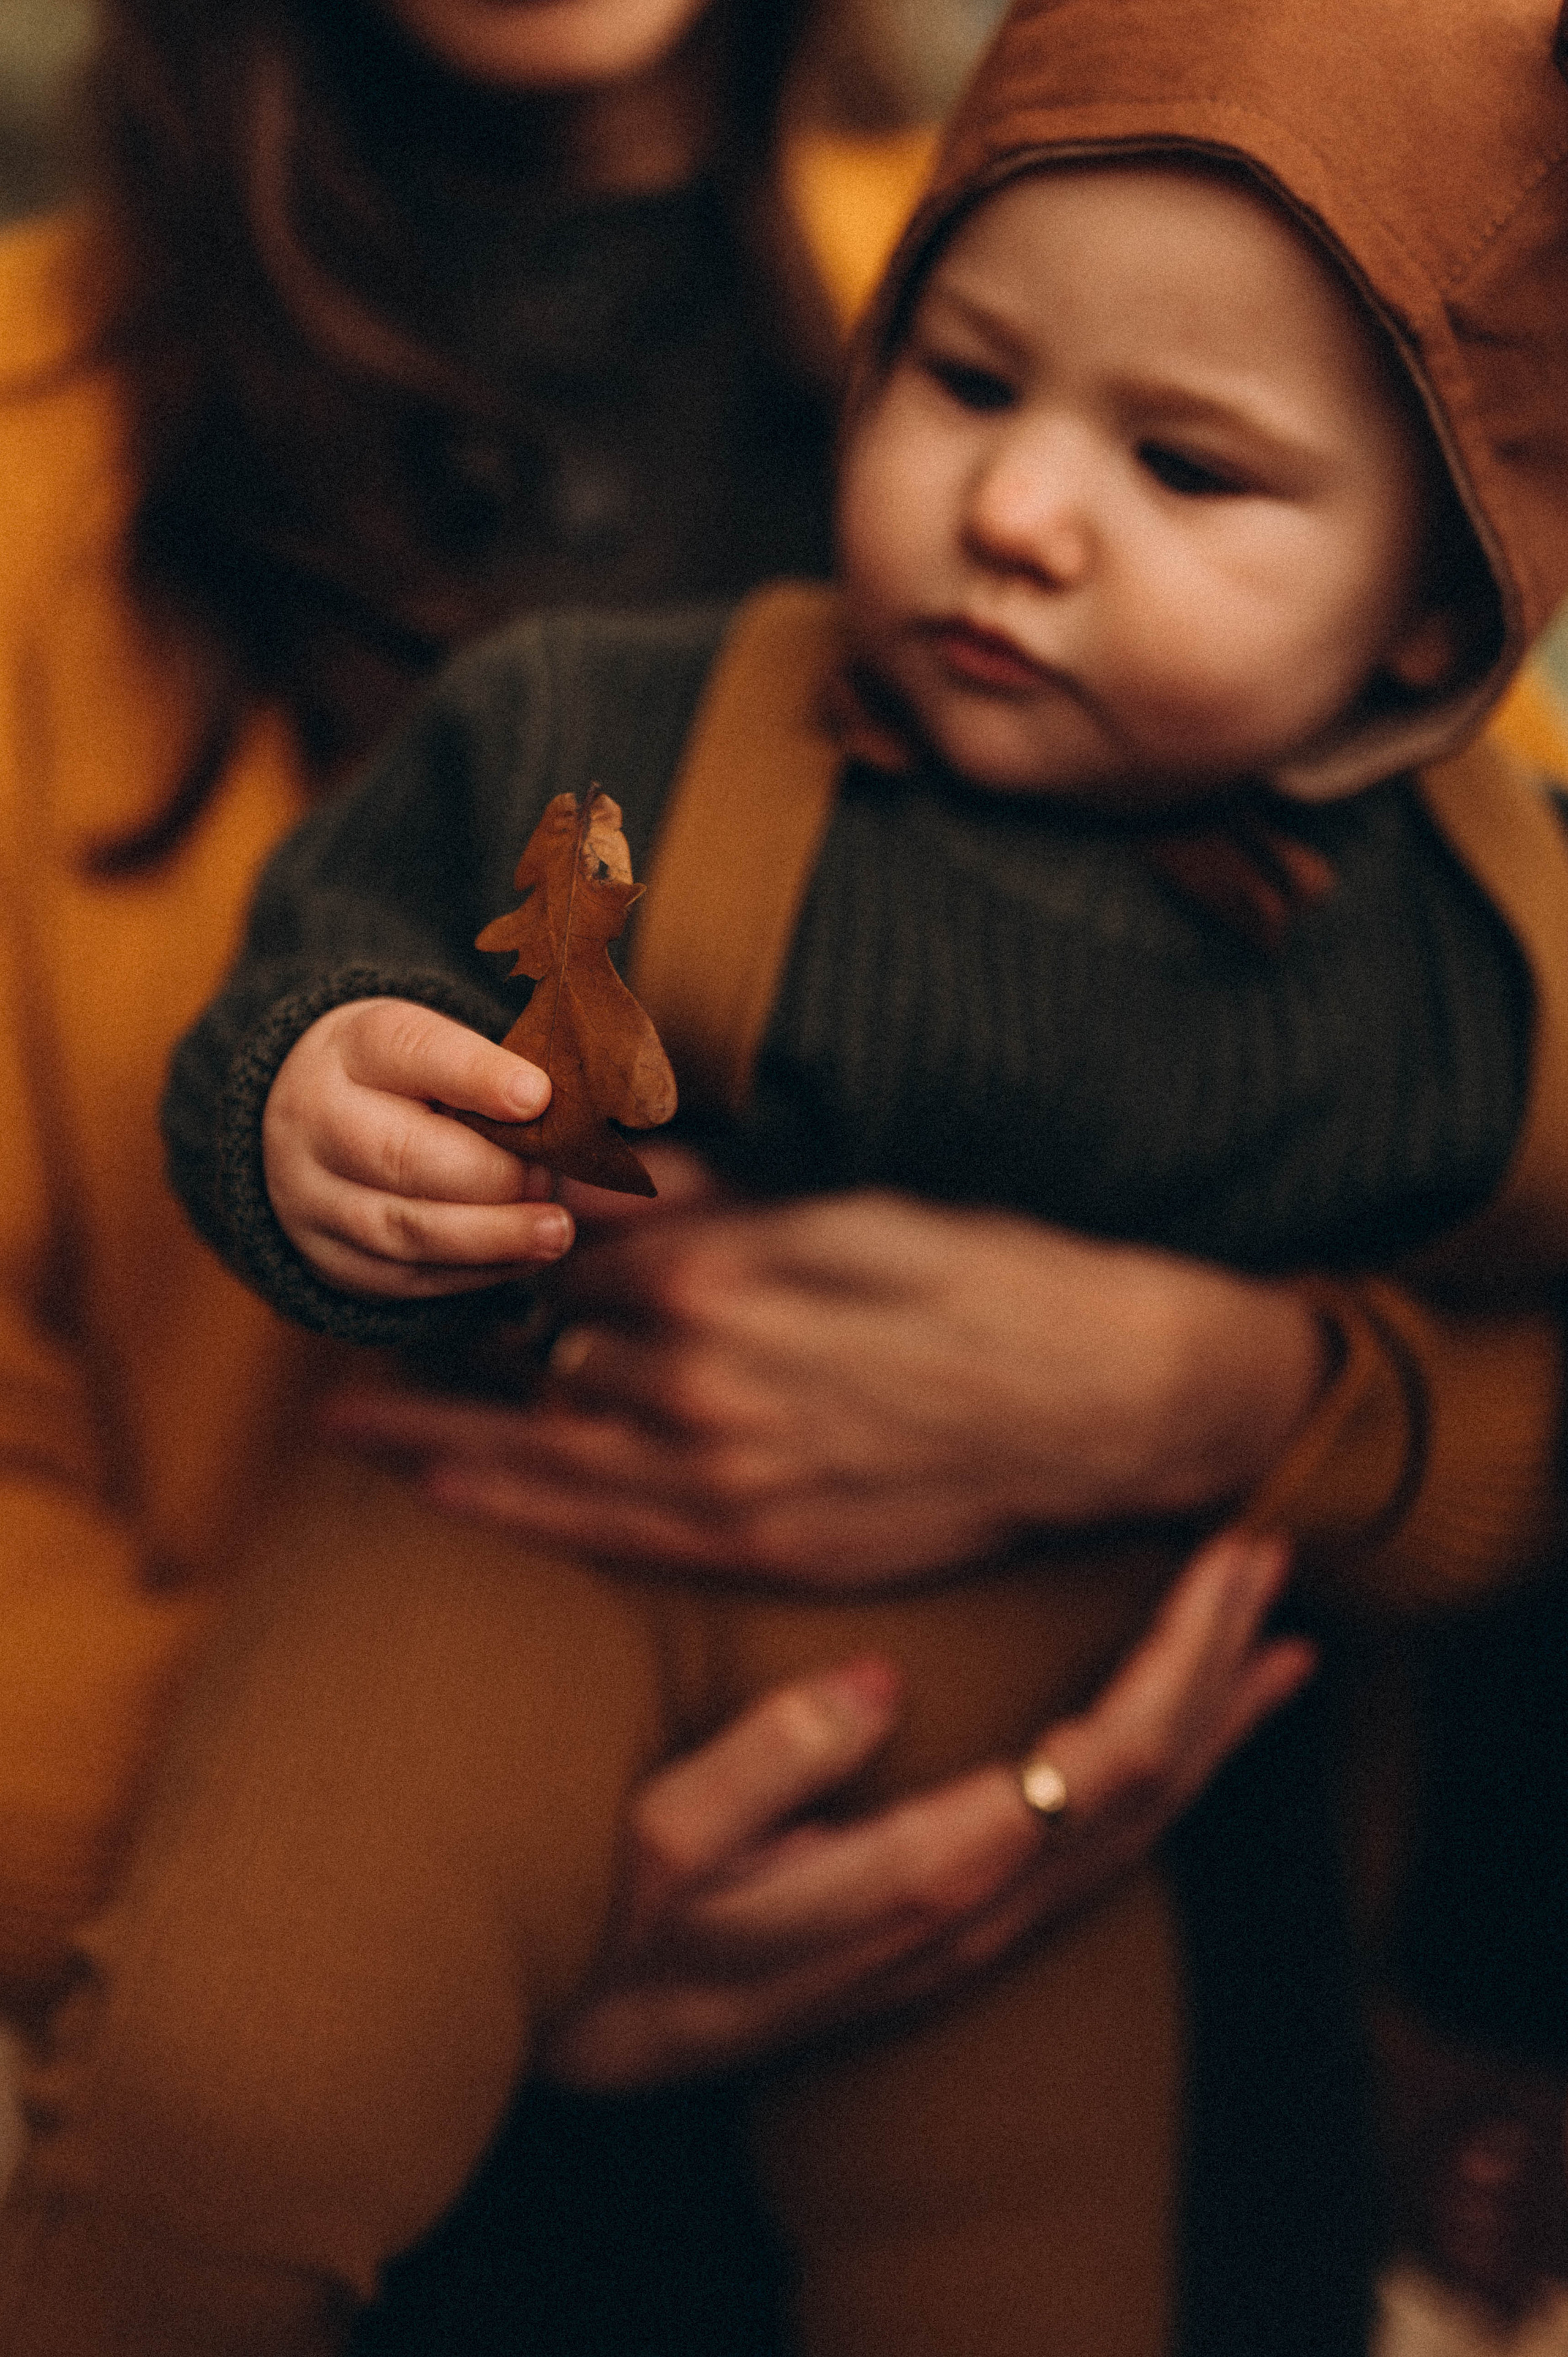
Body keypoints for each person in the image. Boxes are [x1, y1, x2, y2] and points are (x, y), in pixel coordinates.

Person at [12, 0, 1568, 2350]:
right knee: (225, 2131)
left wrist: (1253, 1400)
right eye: (962, 392)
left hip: (1129, 1879)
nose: (1027, 509)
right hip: (429, 1734)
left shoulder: (1237, 233)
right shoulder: (582, 678)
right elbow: (337, 957)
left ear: (1425, 634)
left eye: (1185, 468)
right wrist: (312, 1101)